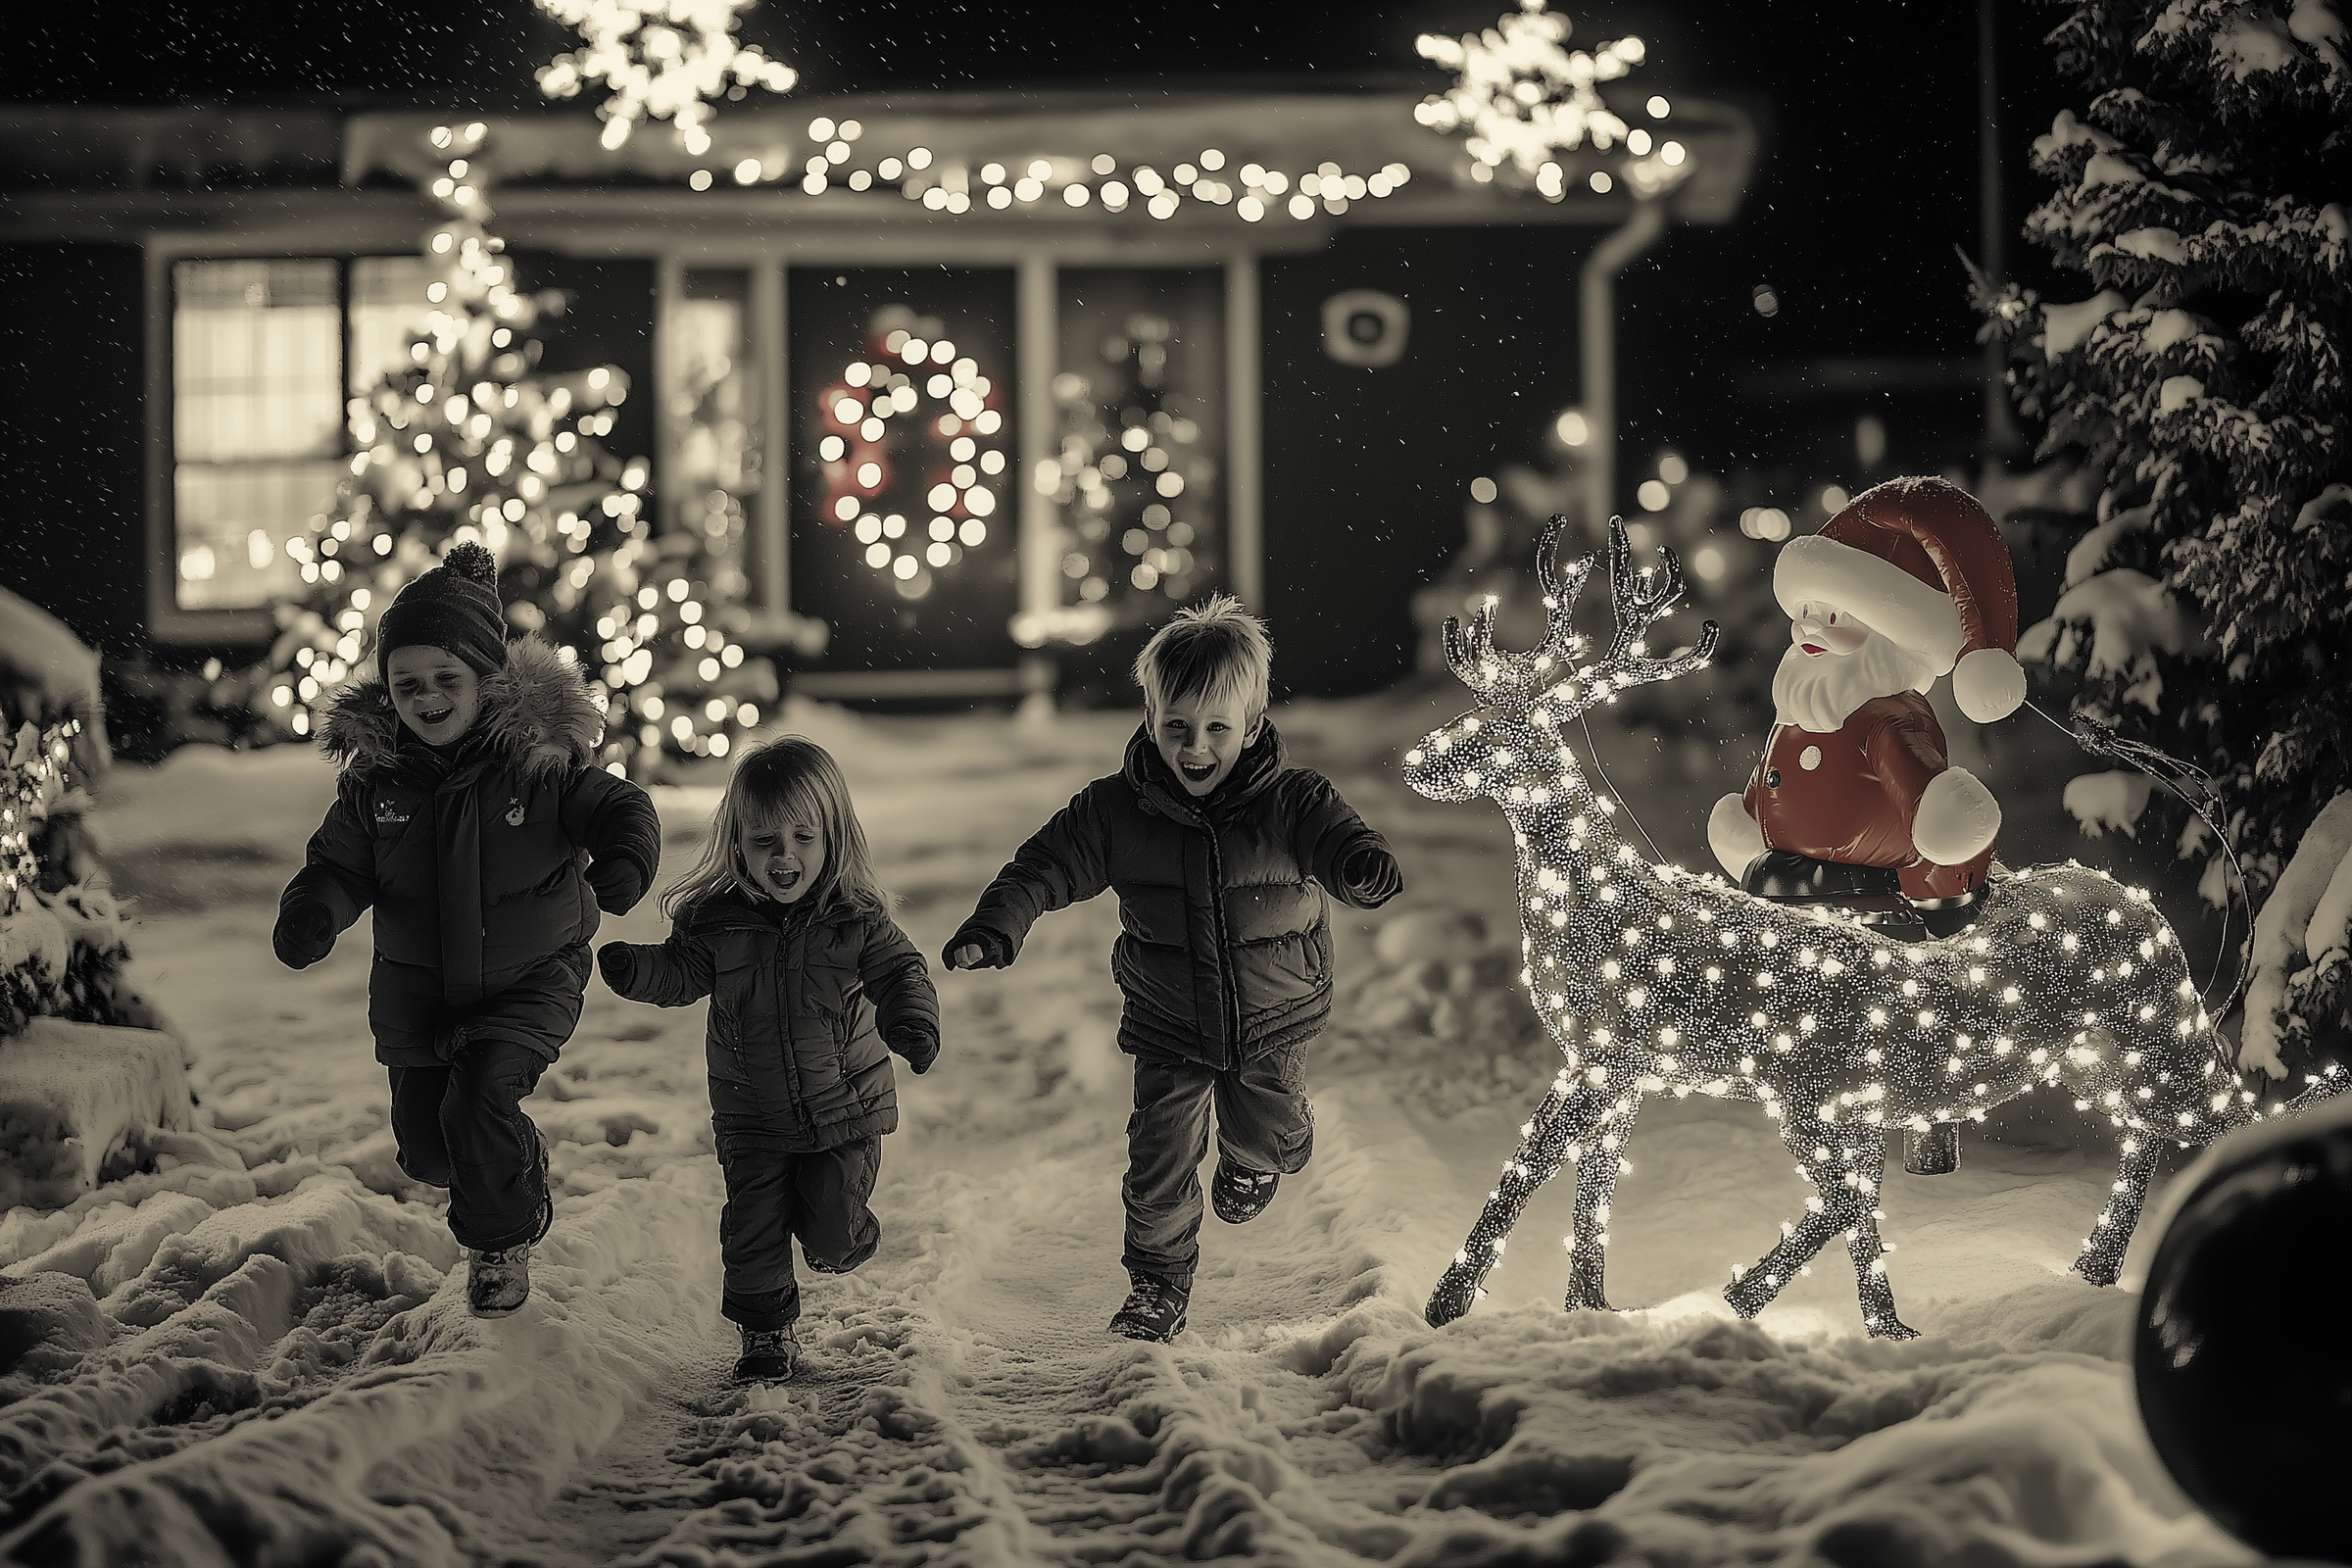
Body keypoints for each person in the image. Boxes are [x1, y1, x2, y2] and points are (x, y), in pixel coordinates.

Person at [942, 595, 1403, 1344]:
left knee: (1272, 1133)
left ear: (1251, 727)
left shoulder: (1293, 802)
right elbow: (1044, 865)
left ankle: (1259, 1156)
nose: (1195, 748)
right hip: (1168, 1022)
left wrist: (1360, 868)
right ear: (1149, 718)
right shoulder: (1117, 812)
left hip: (1272, 1017)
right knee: (1158, 1162)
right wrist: (997, 924)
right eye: (1176, 727)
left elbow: (1340, 840)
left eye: (1217, 729)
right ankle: (1158, 1286)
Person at [273, 542, 661, 1318]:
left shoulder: (537, 764)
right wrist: (314, 910)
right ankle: (510, 1164)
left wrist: (622, 861)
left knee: (478, 1099)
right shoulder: (376, 784)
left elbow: (619, 808)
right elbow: (339, 867)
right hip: (422, 997)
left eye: (447, 679)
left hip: (532, 977)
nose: (427, 697)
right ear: (386, 693)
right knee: (428, 1149)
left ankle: (500, 1247)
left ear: (488, 680)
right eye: (406, 683)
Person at [597, 737, 940, 1384]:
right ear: (738, 845)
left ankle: (847, 1241)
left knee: (831, 1232)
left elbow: (901, 973)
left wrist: (911, 1021)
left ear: (832, 837)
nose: (784, 857)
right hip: (751, 1116)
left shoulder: (857, 921)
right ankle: (765, 1333)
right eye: (764, 841)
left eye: (802, 837)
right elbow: (679, 974)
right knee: (751, 1232)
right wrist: (634, 967)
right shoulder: (716, 923)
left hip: (843, 1110)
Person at [1706, 474, 2026, 926]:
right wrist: (1750, 818)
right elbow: (1773, 776)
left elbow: (1910, 775)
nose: (1810, 631)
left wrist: (1942, 822)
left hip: (1863, 891)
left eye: (1833, 615)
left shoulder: (1882, 719)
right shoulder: (1800, 710)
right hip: (1790, 880)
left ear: (1885, 631)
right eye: (1806, 615)